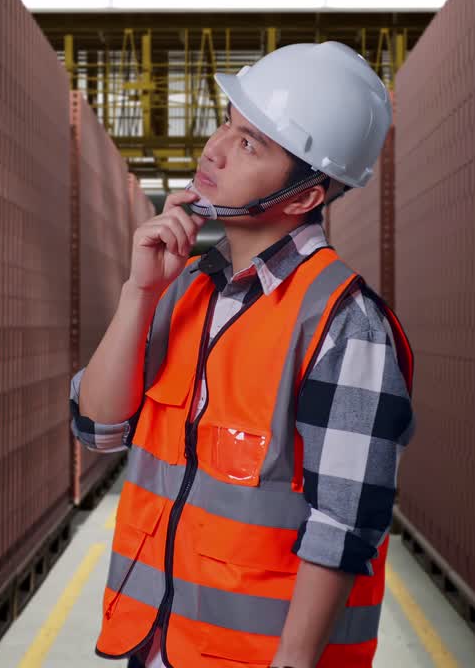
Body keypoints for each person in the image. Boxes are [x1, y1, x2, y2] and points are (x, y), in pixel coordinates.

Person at [70, 40, 415, 668]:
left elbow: (344, 525)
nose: (216, 150)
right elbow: (98, 428)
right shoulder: (189, 288)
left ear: (305, 196)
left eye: (251, 143)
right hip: (156, 645)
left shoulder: (345, 323)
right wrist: (140, 291)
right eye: (228, 125)